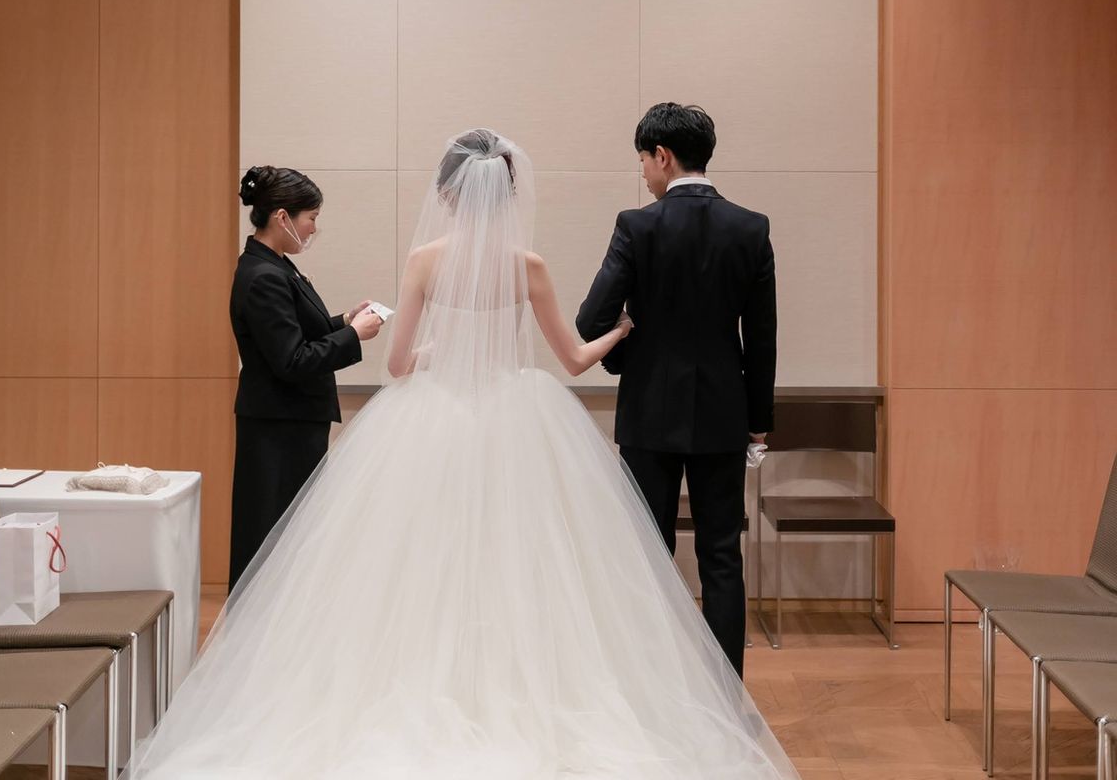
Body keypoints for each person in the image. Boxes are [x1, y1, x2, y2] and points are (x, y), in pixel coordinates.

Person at [125, 133, 796, 780]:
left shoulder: (426, 260)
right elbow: (572, 359)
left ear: (447, 195)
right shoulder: (528, 267)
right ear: (509, 195)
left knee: (419, 564)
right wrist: (621, 330)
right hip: (518, 419)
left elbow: (396, 365)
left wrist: (433, 355)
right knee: (527, 566)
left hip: (432, 419)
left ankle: (420, 681)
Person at [577, 103, 777, 680]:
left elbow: (591, 320)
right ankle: (726, 694)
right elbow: (762, 336)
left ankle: (655, 687)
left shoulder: (637, 226)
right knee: (721, 557)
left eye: (643, 159)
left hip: (649, 415)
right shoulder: (751, 227)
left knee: (649, 556)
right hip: (724, 414)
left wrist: (626, 355)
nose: (642, 172)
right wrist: (757, 421)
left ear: (662, 156)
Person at [227, 165, 384, 590]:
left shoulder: (277, 266)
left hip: (293, 423)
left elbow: (297, 333)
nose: (314, 228)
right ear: (282, 217)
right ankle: (258, 626)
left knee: (292, 537)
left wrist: (344, 320)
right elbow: (292, 360)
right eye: (310, 217)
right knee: (272, 536)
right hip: (278, 429)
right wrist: (354, 336)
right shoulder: (262, 276)